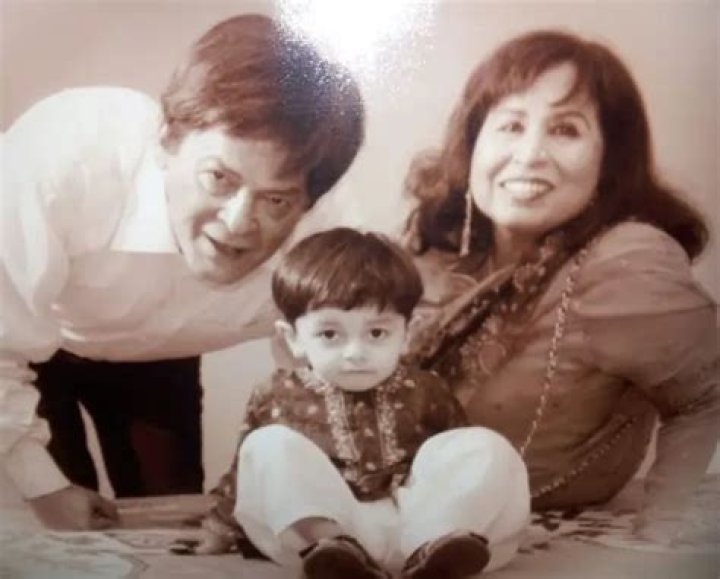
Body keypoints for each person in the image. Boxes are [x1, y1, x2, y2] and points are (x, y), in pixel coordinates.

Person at [0, 14, 365, 531]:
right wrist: (44, 485)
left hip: (161, 360)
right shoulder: (63, 158)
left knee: (173, 520)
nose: (237, 224)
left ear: (310, 204)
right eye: (219, 177)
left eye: (276, 200)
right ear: (166, 142)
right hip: (25, 345)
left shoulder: (326, 241)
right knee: (51, 532)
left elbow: (333, 386)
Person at [401, 29, 719, 546]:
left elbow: (706, 395)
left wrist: (661, 529)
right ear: (473, 144)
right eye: (511, 125)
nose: (529, 154)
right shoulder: (442, 257)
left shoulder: (624, 263)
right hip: (399, 511)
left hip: (511, 538)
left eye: (565, 129)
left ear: (609, 160)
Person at [186, 228, 530, 579]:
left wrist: (448, 510)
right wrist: (219, 527)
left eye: (377, 333)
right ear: (294, 339)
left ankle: (438, 551)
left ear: (407, 333)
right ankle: (334, 552)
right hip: (316, 536)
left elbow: (457, 465)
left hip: (417, 525)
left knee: (482, 444)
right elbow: (244, 474)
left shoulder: (426, 389)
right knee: (266, 446)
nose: (355, 353)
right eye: (330, 334)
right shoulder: (276, 394)